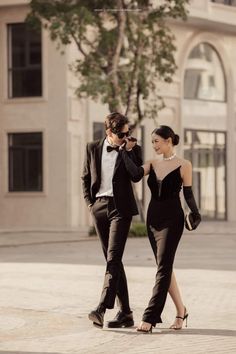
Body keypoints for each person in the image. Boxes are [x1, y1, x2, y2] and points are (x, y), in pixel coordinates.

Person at [120, 125, 201, 333]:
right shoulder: (152, 164)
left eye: (156, 141)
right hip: (153, 220)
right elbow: (135, 175)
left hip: (173, 220)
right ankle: (181, 310)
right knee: (164, 268)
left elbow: (188, 194)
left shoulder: (184, 165)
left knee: (164, 267)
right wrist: (126, 151)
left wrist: (195, 212)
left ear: (168, 141)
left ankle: (150, 316)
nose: (154, 145)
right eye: (152, 141)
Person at [81, 112, 142, 329]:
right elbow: (86, 177)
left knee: (113, 258)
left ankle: (101, 308)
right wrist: (90, 204)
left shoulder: (133, 148)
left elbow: (136, 176)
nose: (127, 136)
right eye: (122, 134)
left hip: (121, 208)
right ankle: (125, 312)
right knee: (112, 260)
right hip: (99, 207)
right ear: (109, 132)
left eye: (129, 132)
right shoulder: (92, 148)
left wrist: (125, 151)